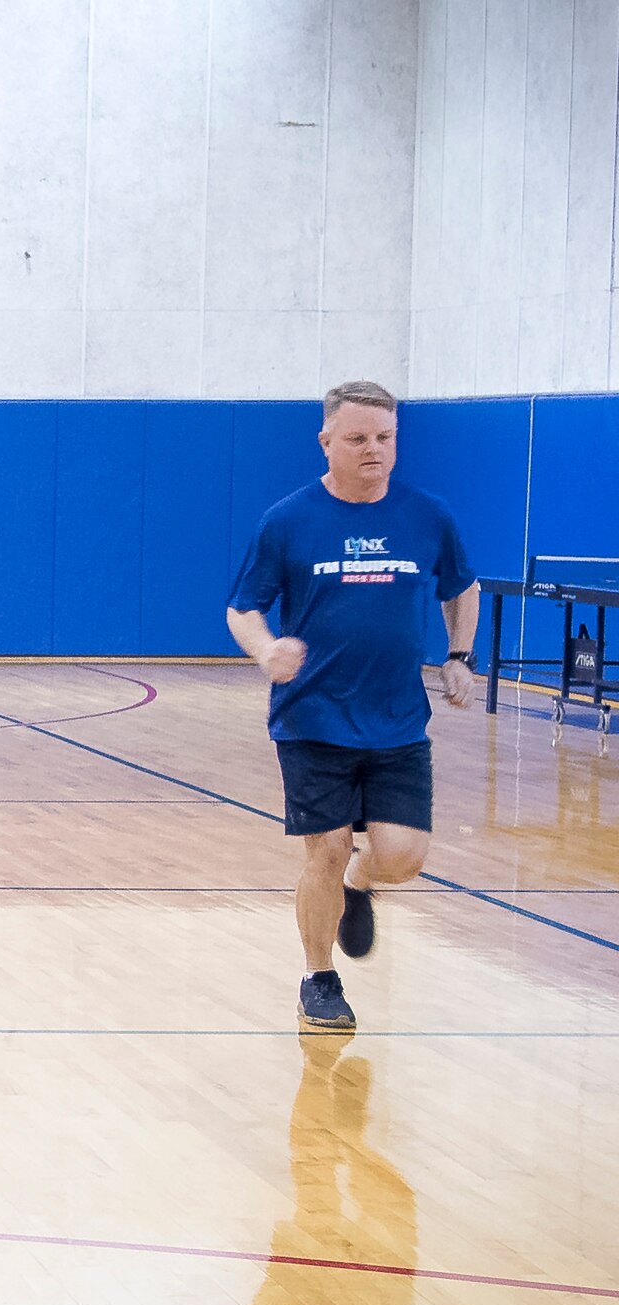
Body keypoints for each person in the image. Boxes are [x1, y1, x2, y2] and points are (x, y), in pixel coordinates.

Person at [226, 380, 478, 1030]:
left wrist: (459, 656)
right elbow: (243, 606)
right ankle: (320, 977)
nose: (374, 450)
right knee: (326, 849)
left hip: (397, 723)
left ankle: (361, 887)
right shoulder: (288, 520)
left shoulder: (427, 515)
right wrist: (265, 650)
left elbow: (462, 587)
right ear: (327, 441)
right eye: (360, 438)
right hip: (313, 719)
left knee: (404, 857)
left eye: (385, 438)